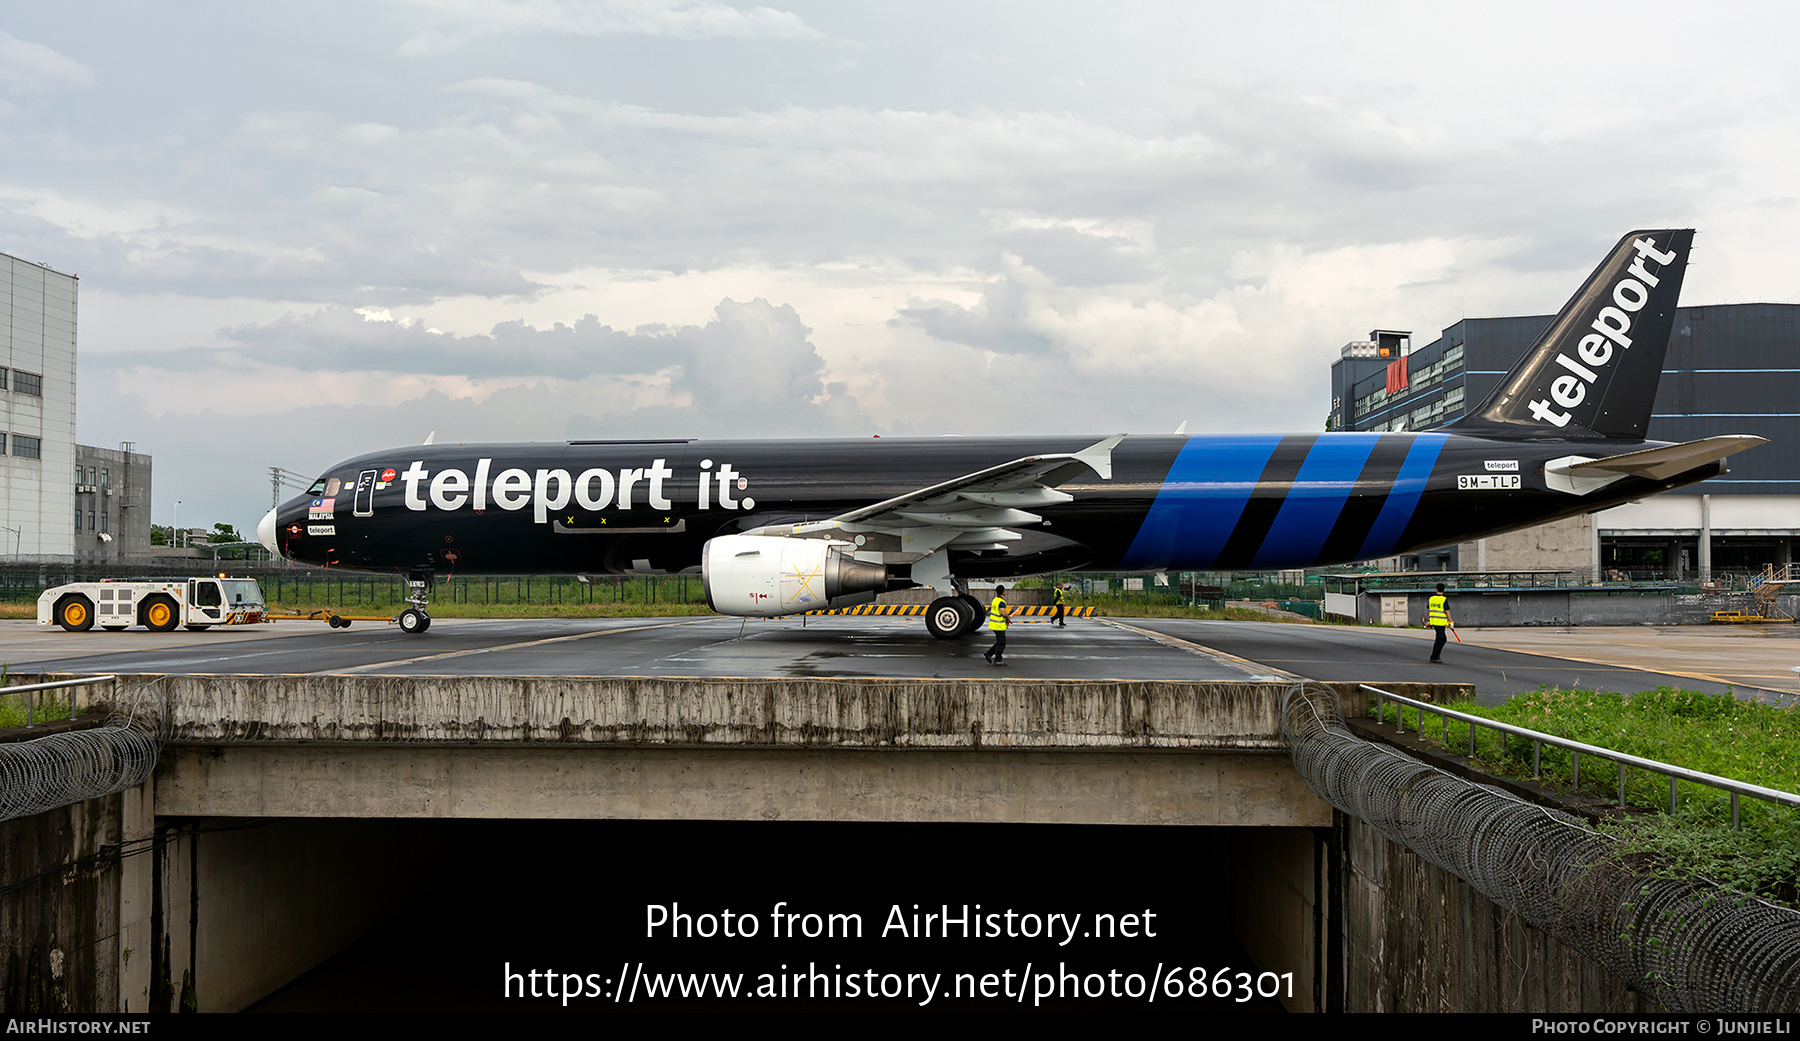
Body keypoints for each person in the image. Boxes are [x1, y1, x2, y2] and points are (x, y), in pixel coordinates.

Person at [983, 585, 1012, 665]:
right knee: (1002, 642)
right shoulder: (1001, 602)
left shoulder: (995, 600)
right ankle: (998, 660)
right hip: (999, 625)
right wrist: (1008, 618)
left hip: (994, 625)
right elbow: (1003, 612)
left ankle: (989, 653)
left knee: (999, 641)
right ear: (1003, 592)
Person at [1427, 583, 1453, 663]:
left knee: (1440, 638)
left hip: (1435, 622)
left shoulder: (1431, 599)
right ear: (1444, 590)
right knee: (1442, 639)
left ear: (1436, 589)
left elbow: (1429, 610)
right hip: (1440, 622)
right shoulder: (1443, 599)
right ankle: (1434, 656)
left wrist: (1429, 621)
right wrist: (1451, 621)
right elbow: (1447, 611)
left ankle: (1435, 656)